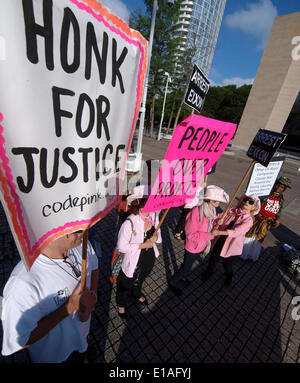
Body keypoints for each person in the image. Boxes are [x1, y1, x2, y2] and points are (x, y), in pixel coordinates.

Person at [1, 230, 99, 363]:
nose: (83, 229)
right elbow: (18, 342)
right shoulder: (23, 283)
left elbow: (93, 266)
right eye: (74, 228)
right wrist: (68, 308)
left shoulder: (82, 244)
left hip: (82, 338)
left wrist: (93, 294)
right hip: (55, 356)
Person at [169, 185, 229, 295]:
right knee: (187, 268)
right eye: (217, 201)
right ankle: (173, 282)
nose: (219, 203)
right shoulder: (197, 211)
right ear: (210, 200)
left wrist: (217, 223)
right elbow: (190, 234)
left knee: (187, 265)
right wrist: (209, 236)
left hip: (201, 244)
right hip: (192, 246)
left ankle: (180, 276)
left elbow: (208, 226)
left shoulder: (211, 209)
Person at [115, 185, 161, 319]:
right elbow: (121, 247)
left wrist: (155, 236)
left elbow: (159, 238)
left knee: (141, 278)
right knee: (124, 283)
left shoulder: (154, 217)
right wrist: (142, 245)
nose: (151, 208)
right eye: (146, 203)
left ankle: (136, 293)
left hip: (148, 257)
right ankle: (121, 304)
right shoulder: (129, 223)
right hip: (132, 260)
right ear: (138, 205)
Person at [202, 194, 261, 288]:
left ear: (254, 207)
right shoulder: (232, 210)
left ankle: (229, 276)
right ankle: (209, 272)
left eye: (251, 202)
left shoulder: (249, 220)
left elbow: (237, 232)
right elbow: (219, 216)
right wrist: (218, 220)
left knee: (227, 265)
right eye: (245, 199)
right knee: (214, 258)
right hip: (220, 239)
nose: (246, 202)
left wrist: (219, 232)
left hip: (232, 246)